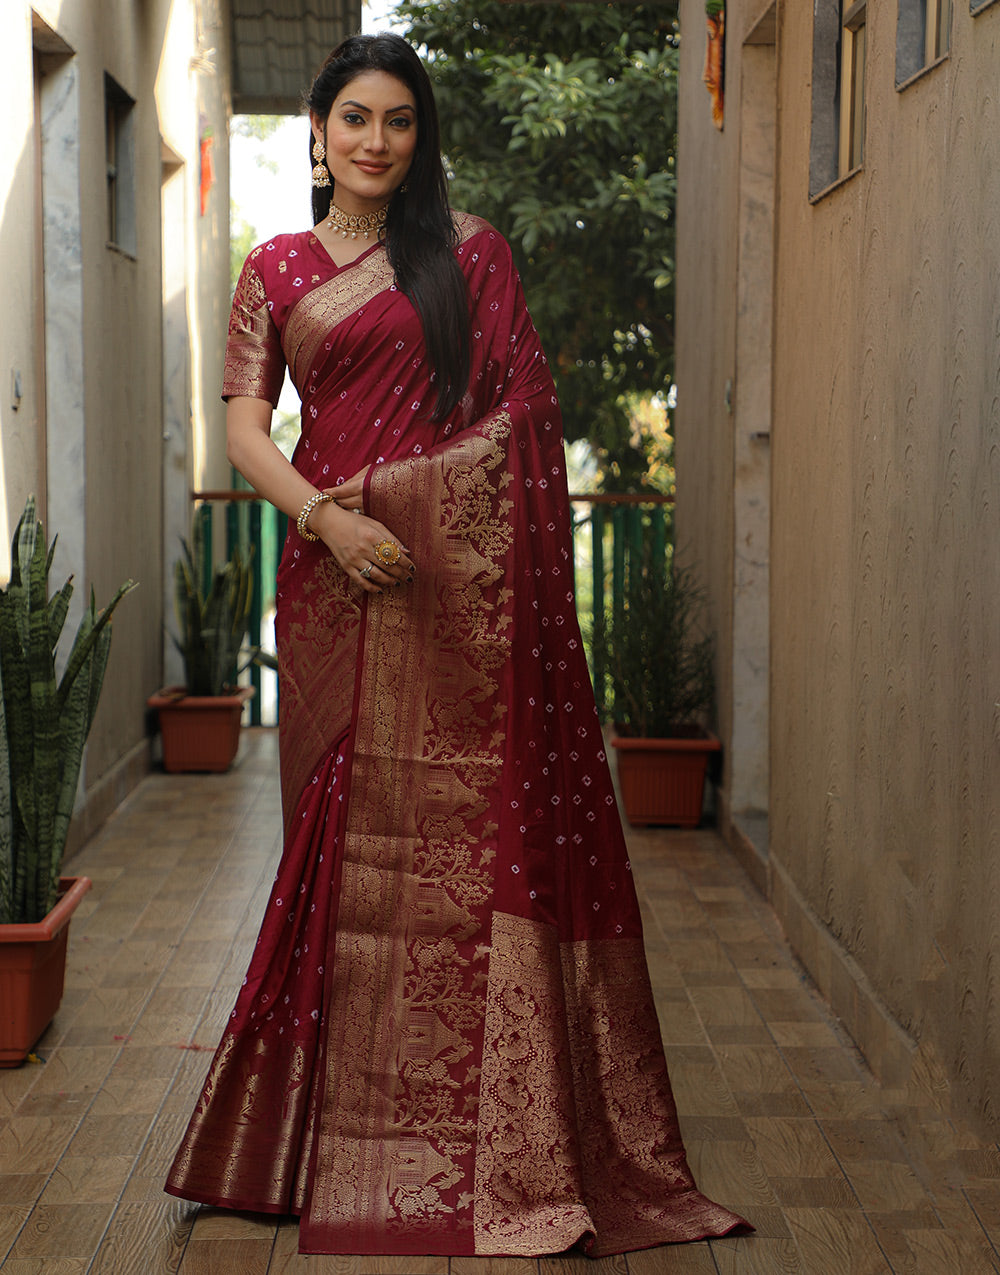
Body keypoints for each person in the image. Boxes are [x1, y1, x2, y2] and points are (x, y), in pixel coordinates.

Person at [165, 32, 748, 1258]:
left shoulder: (469, 254)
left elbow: (526, 413)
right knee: (330, 852)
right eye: (356, 119)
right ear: (317, 132)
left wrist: (405, 507)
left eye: (400, 122)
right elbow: (241, 431)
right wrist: (330, 518)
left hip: (453, 588)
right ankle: (315, 1142)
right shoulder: (270, 268)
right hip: (334, 581)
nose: (377, 142)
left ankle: (488, 1141)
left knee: (470, 852)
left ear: (419, 138)